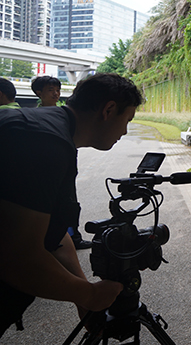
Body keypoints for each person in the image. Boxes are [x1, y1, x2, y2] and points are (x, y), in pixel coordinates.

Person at [0, 73, 143, 338]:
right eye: (127, 121)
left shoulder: (55, 134)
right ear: (109, 110)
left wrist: (84, 297)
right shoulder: (44, 141)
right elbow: (18, 257)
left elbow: (53, 233)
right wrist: (89, 294)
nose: (124, 132)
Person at [32, 75, 91, 249]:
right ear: (38, 93)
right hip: (45, 167)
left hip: (67, 164)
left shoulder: (67, 114)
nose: (56, 94)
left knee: (70, 199)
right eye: (51, 90)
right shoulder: (34, 115)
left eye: (57, 90)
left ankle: (74, 237)